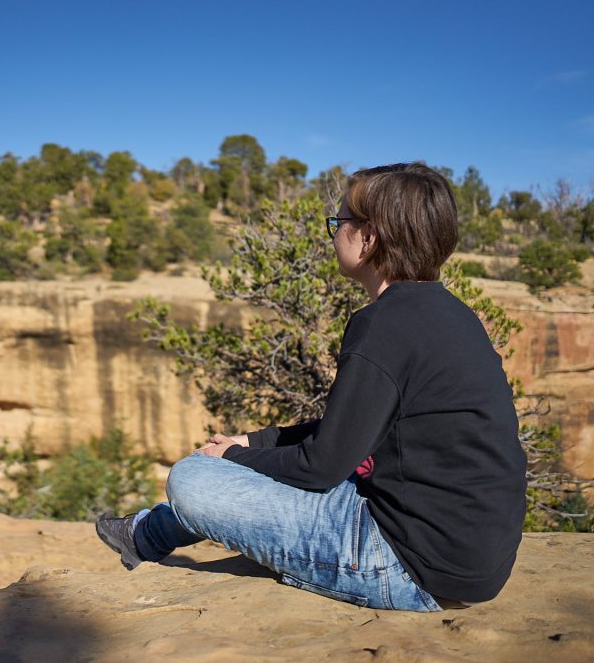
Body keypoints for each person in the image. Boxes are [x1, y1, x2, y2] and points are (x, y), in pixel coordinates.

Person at [96, 162, 527, 612]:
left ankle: (149, 534)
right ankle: (147, 536)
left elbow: (322, 466)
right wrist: (253, 442)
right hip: (470, 560)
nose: (335, 233)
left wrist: (231, 457)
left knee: (192, 477)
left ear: (369, 237)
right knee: (242, 470)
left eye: (340, 222)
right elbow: (351, 430)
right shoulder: (451, 314)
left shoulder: (382, 325)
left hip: (405, 565)